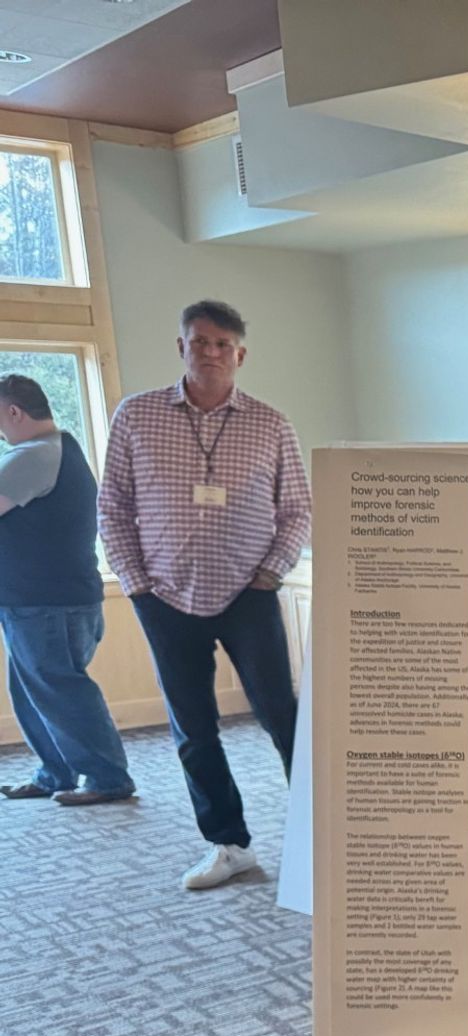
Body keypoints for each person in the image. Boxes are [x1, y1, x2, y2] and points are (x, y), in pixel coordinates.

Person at [98, 299, 310, 890]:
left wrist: (270, 573)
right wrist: (136, 584)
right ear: (181, 347)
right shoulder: (137, 417)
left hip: (250, 592)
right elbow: (112, 506)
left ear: (240, 355)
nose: (211, 353)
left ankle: (321, 835)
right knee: (193, 726)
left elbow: (296, 510)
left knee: (282, 715)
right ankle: (229, 843)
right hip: (164, 595)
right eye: (200, 342)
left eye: (223, 345)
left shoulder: (271, 424)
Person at [0, 375, 135, 806]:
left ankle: (107, 778)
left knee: (62, 691)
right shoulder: (58, 448)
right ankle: (55, 773)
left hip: (46, 604)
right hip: (47, 601)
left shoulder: (34, 456)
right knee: (36, 693)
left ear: (14, 411)